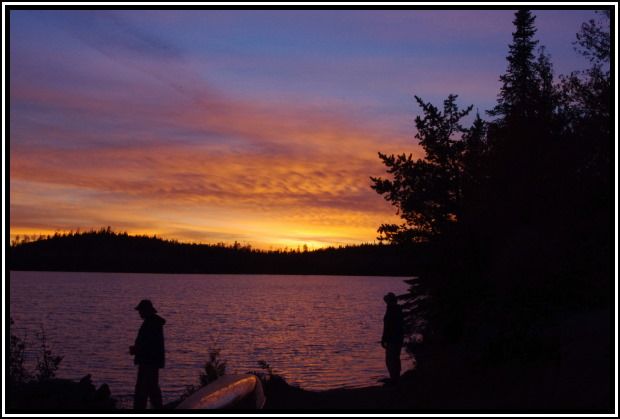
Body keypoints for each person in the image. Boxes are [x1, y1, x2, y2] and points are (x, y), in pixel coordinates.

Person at [130, 299, 166, 410]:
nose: (139, 313)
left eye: (141, 311)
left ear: (146, 310)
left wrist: (136, 350)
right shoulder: (153, 323)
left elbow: (149, 344)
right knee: (151, 388)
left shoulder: (151, 324)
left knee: (143, 390)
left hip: (148, 362)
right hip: (151, 361)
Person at [381, 292, 404, 385]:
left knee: (391, 359)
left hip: (393, 339)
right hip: (397, 338)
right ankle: (396, 378)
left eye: (387, 300)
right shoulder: (397, 310)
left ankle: (395, 379)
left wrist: (384, 339)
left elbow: (388, 327)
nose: (386, 302)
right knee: (394, 358)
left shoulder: (392, 310)